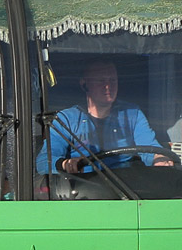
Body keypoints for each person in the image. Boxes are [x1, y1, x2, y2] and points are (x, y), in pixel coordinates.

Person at [35, 58, 173, 175]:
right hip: (83, 191)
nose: (108, 86)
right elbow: (43, 161)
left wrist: (159, 158)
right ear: (84, 84)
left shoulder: (133, 114)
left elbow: (149, 147)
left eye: (113, 80)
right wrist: (65, 164)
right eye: (101, 81)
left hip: (129, 189)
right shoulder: (65, 120)